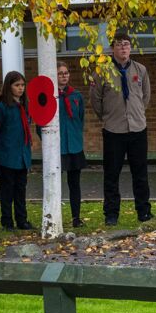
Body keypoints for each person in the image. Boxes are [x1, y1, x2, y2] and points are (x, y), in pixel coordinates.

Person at [90, 31, 152, 226]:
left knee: (140, 173)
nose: (123, 48)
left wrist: (137, 114)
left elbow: (145, 98)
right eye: (119, 44)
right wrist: (108, 118)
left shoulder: (140, 70)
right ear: (112, 48)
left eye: (126, 44)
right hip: (113, 130)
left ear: (130, 48)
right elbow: (96, 101)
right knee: (111, 175)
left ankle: (143, 211)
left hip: (137, 129)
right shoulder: (102, 71)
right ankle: (111, 214)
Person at [0, 71, 34, 231]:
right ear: (9, 86)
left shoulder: (24, 106)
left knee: (20, 189)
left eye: (23, 85)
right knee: (7, 190)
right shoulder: (3, 107)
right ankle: (7, 220)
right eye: (17, 85)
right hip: (7, 155)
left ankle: (21, 219)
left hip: (22, 155)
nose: (21, 88)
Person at [56, 62, 87, 227]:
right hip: (58, 147)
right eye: (60, 73)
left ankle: (76, 217)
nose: (64, 76)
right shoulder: (50, 96)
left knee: (74, 183)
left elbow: (80, 119)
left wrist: (76, 136)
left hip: (74, 145)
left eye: (66, 73)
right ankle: (55, 217)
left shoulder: (76, 96)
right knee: (56, 184)